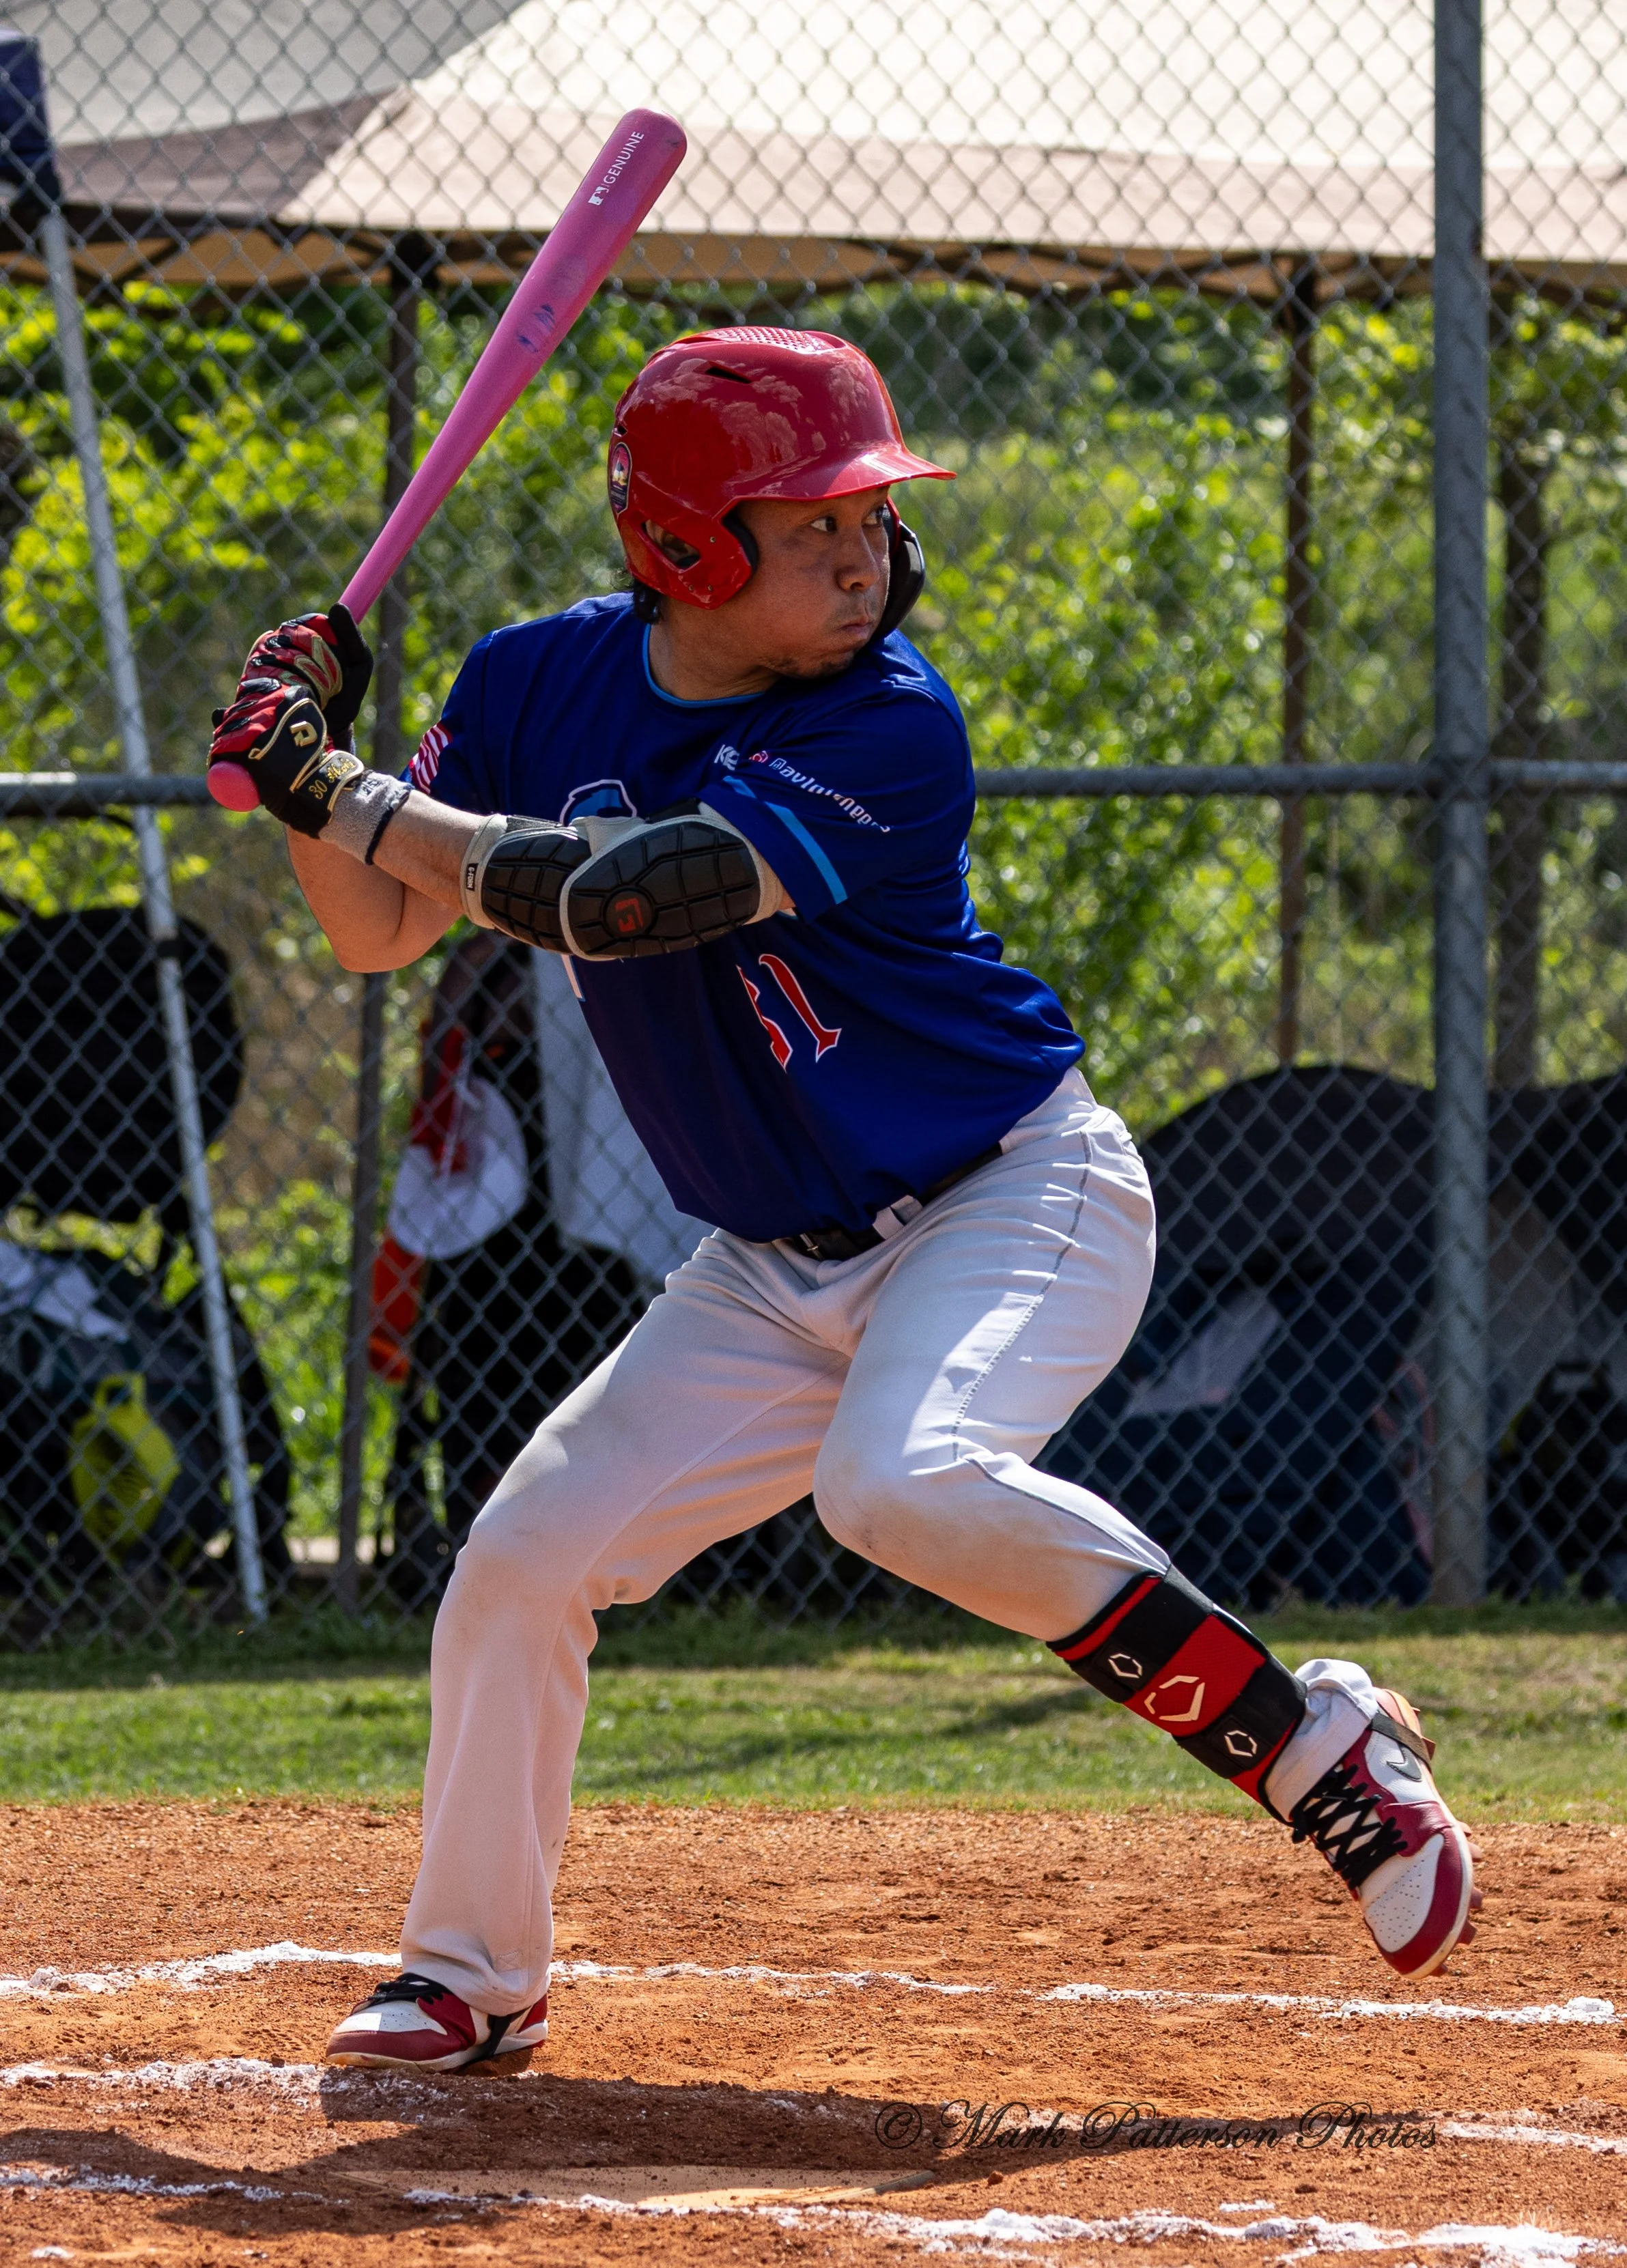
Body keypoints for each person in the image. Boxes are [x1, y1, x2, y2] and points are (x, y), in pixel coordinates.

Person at [209, 328, 1481, 2073]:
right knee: (517, 1564)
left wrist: (342, 788)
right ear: (682, 548)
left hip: (1011, 1196)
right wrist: (304, 767)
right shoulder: (529, 681)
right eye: (811, 519)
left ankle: (1317, 1740)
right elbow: (373, 925)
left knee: (902, 1482)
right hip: (767, 1268)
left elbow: (624, 900)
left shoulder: (889, 718)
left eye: (872, 514)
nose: (861, 549)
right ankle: (469, 1969)